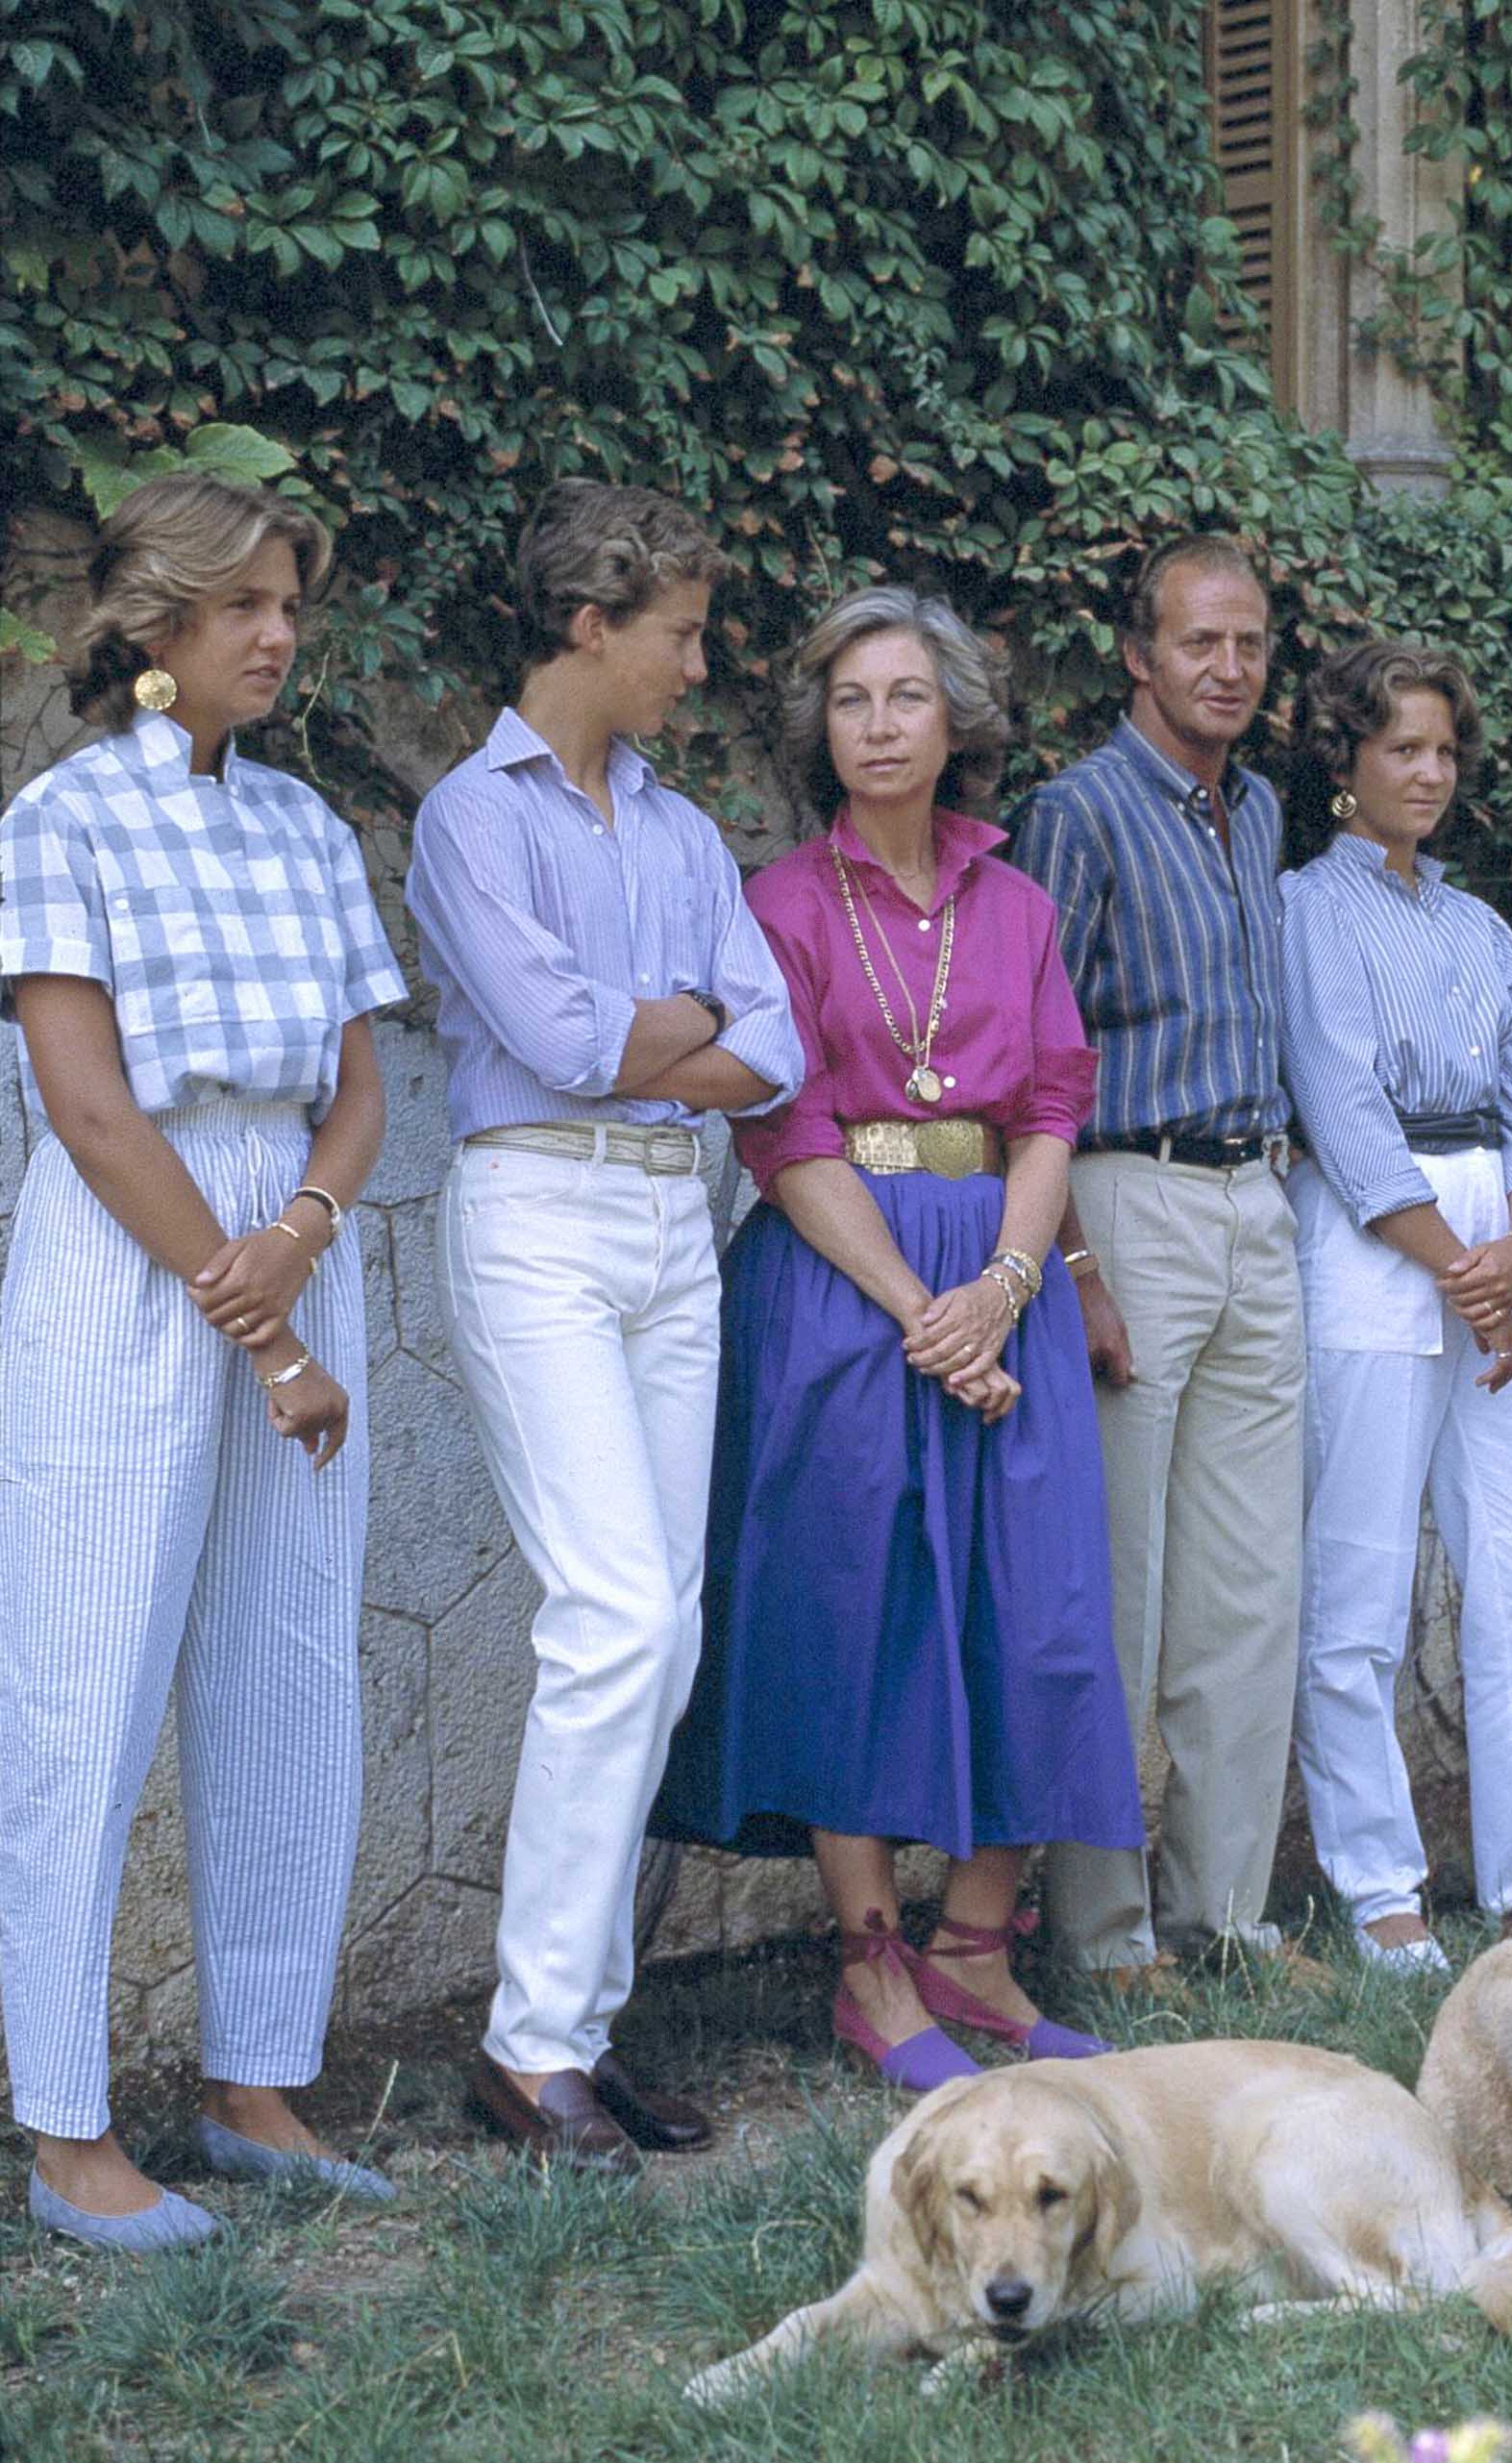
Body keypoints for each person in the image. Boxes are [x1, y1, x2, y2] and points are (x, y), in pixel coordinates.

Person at [654, 586, 1144, 2091]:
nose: (876, 724)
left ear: (957, 722)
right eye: (851, 700)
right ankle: (874, 1964)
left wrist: (1005, 1284)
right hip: (838, 1276)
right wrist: (915, 1309)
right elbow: (781, 1122)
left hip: (1000, 1274)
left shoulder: (1019, 905)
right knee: (852, 1606)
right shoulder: (779, 902)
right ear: (823, 728)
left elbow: (1053, 1106)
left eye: (906, 697)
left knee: (1042, 1603)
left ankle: (977, 1949)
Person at [0, 473, 407, 2250]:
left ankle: (253, 2083)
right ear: (152, 622)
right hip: (127, 1255)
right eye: (244, 603)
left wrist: (303, 1240)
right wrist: (262, 1324)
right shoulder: (59, 820)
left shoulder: (310, 826)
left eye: (290, 605)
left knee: (289, 1673)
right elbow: (84, 1105)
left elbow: (363, 1080)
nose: (277, 634)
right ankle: (68, 2124)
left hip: (288, 1225)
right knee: (81, 1688)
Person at [406, 480, 804, 2169]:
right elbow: (557, 1045)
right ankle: (529, 2048)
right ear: (591, 623)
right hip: (540, 1218)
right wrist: (686, 1020)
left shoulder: (685, 831)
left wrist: (669, 1026)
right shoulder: (468, 819)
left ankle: (574, 2030)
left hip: (671, 1218)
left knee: (672, 1626)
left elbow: (773, 1050)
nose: (700, 668)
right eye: (683, 634)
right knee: (616, 1612)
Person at [1005, 535, 1302, 1988]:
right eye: (1201, 644)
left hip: (1258, 1201)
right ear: (1140, 655)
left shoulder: (1261, 814)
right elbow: (1036, 1057)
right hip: (1125, 1202)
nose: (1230, 669)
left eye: (1249, 645)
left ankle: (1223, 1914)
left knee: (1250, 1592)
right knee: (1114, 1586)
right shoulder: (1077, 813)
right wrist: (1072, 1264)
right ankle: (1104, 1935)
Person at [1277, 638, 1512, 1973]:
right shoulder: (1305, 907)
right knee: (1358, 1575)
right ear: (1343, 761)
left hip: (1494, 1252)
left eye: (1445, 749)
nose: (1429, 771)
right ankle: (1380, 1883)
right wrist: (1452, 1259)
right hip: (1371, 1246)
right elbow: (1339, 1103)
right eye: (1401, 746)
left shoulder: (1482, 927)